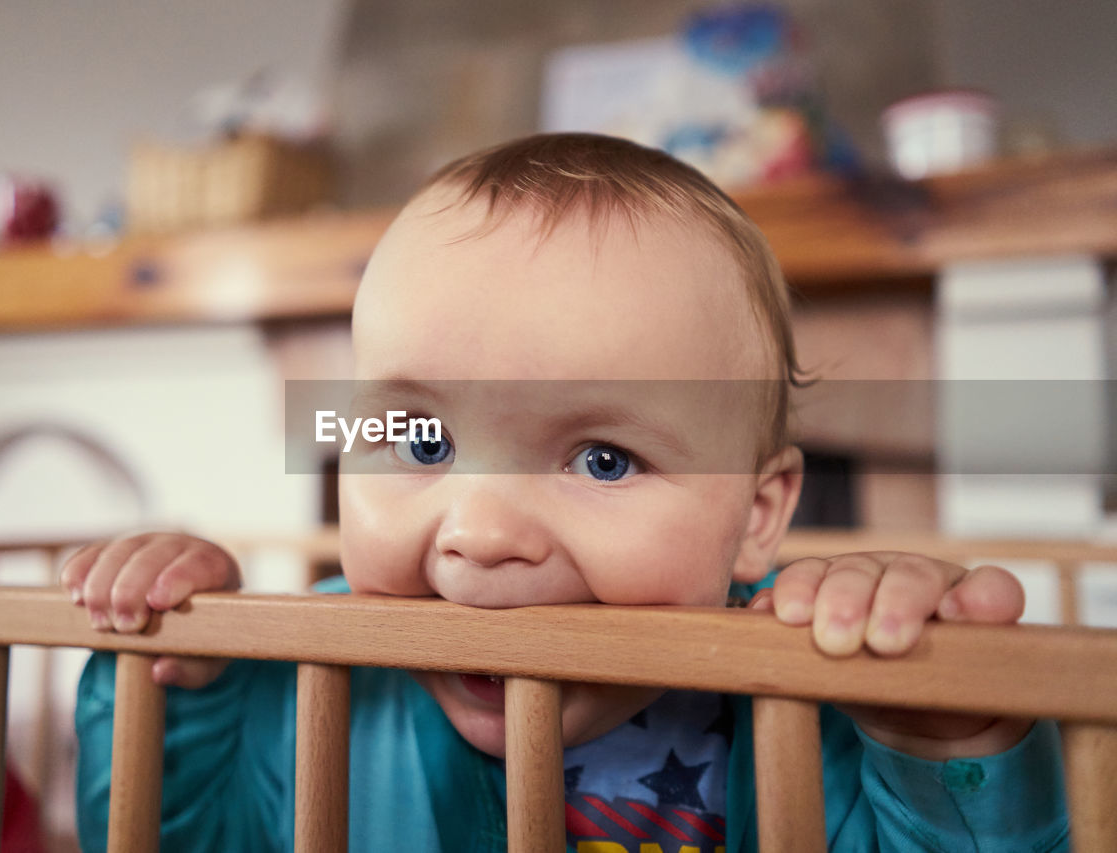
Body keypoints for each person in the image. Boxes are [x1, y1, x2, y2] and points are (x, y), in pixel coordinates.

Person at [64, 133, 1066, 852]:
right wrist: (189, 673)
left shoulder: (812, 700)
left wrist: (931, 730)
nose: (481, 532)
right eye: (418, 439)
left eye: (600, 459)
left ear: (757, 516)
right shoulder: (315, 682)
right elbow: (183, 835)